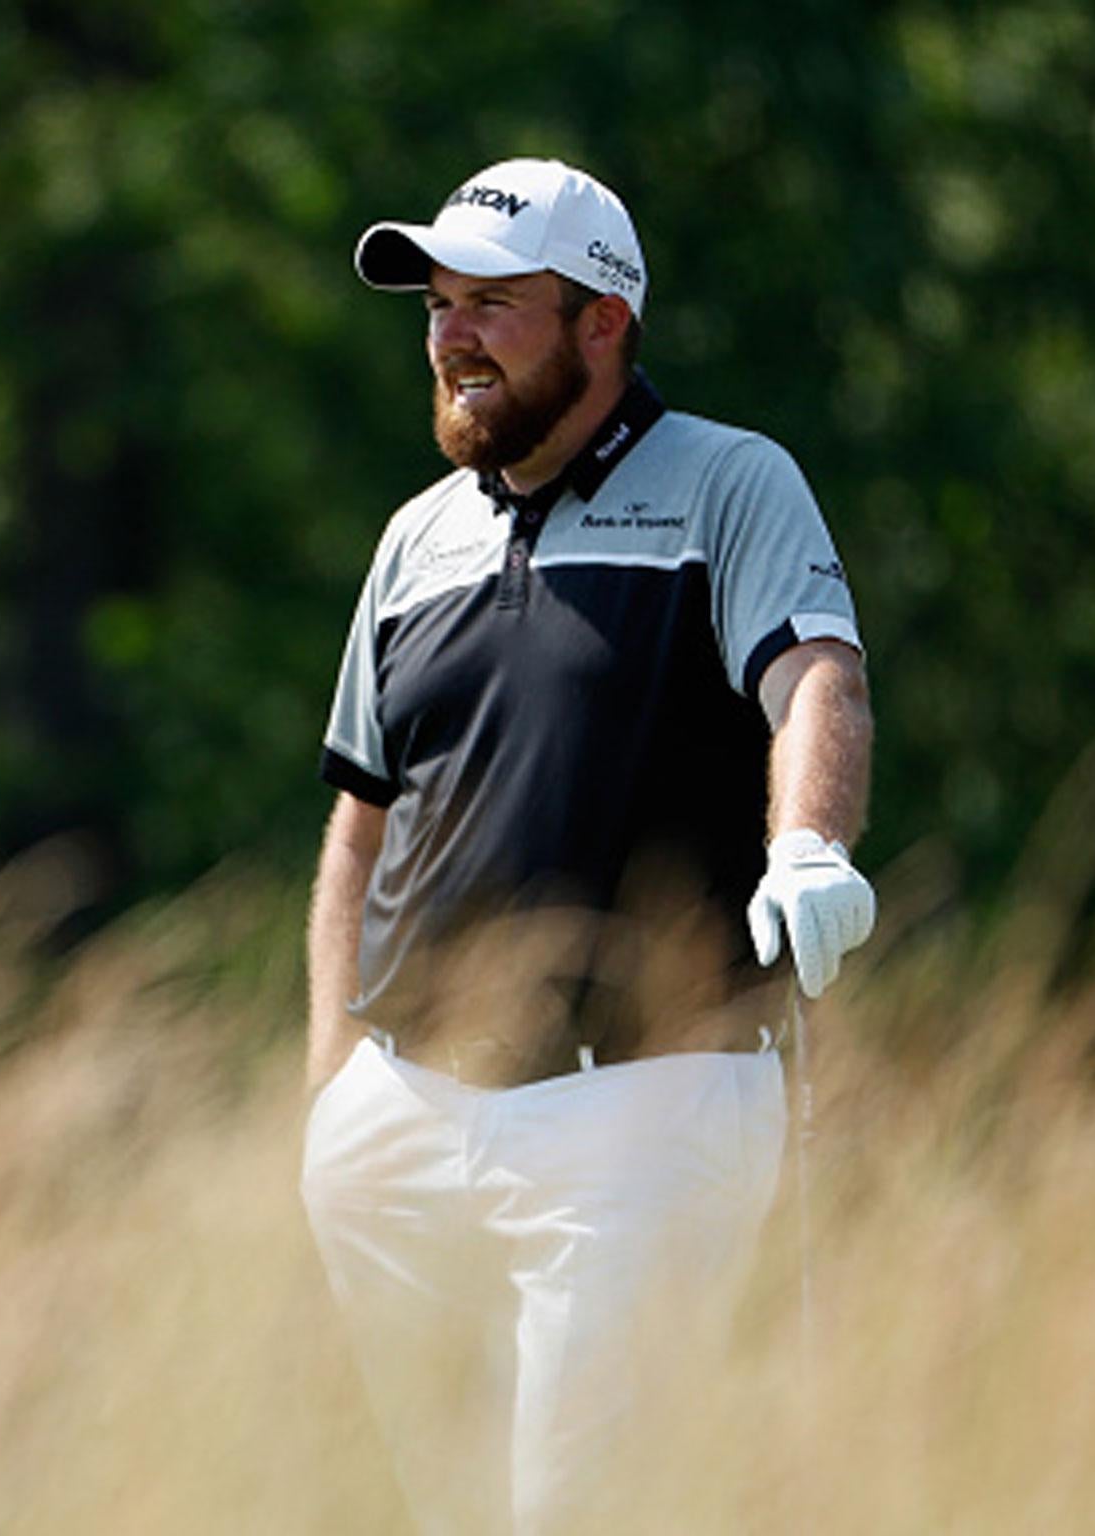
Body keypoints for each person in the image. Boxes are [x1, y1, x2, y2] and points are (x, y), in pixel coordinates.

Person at [299, 157, 876, 1535]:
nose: (451, 335)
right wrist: (332, 1090)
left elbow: (817, 677)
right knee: (444, 1512)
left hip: (639, 1101)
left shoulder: (728, 483)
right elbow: (361, 818)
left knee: (581, 1510)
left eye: (494, 303)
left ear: (602, 321)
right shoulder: (415, 539)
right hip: (407, 1117)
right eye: (439, 305)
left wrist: (808, 848)